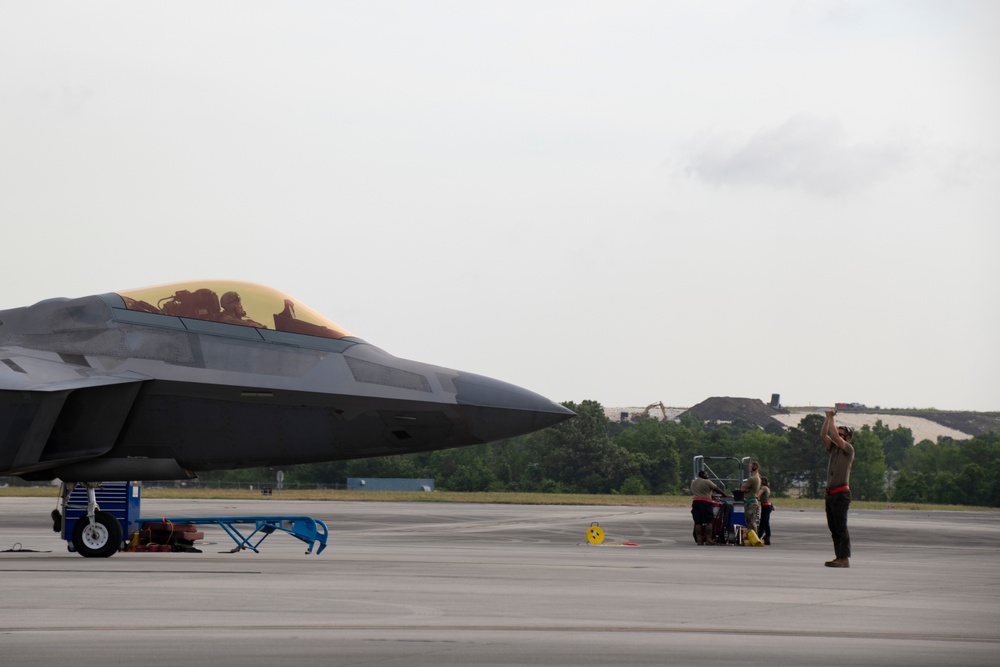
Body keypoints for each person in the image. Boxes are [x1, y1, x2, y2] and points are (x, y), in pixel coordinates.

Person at [822, 409, 855, 568]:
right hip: (830, 494)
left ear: (847, 437)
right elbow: (824, 436)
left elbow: (833, 436)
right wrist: (827, 419)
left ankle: (844, 558)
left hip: (841, 494)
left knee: (841, 527)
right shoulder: (833, 449)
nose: (838, 435)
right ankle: (838, 557)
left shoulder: (848, 449)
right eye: (838, 432)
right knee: (833, 528)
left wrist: (831, 418)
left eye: (842, 434)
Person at [690, 470, 726, 545]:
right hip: (705, 502)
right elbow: (716, 488)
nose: (707, 476)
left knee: (698, 522)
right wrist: (724, 494)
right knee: (709, 521)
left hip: (695, 502)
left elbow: (699, 491)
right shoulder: (707, 482)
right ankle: (708, 539)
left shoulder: (693, 482)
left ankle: (699, 540)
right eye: (706, 475)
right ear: (703, 475)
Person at [740, 460, 762, 538]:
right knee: (750, 521)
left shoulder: (752, 479)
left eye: (750, 466)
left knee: (751, 521)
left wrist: (745, 488)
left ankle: (754, 537)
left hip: (751, 502)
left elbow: (742, 488)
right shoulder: (758, 478)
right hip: (752, 501)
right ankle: (752, 537)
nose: (749, 468)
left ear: (754, 467)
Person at [758, 476, 773, 545]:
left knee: (762, 523)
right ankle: (767, 537)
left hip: (765, 506)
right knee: (766, 523)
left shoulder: (763, 488)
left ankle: (759, 536)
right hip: (768, 506)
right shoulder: (767, 488)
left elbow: (757, 495)